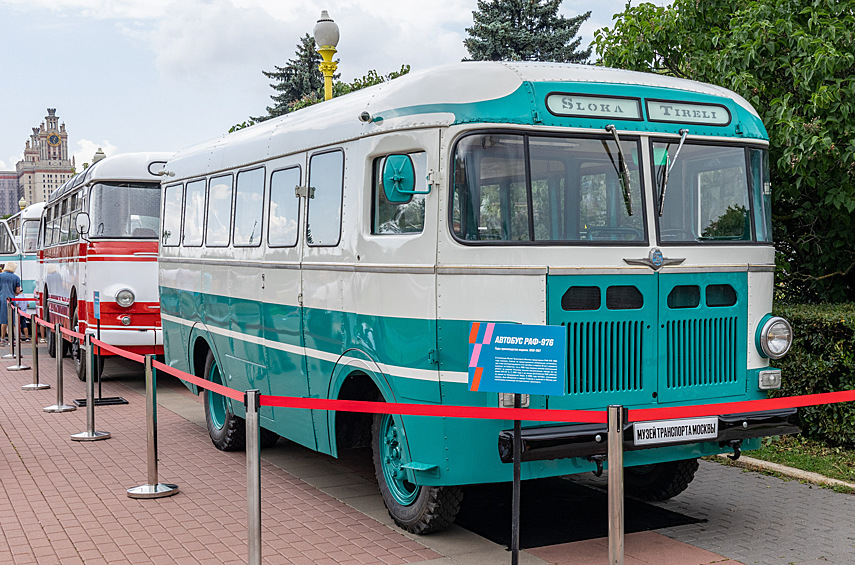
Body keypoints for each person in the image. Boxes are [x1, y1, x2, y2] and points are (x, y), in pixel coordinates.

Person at [0, 261, 23, 344]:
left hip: (1, 299)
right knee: (12, 320)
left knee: (3, 320)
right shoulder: (16, 278)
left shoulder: (0, 276)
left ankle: (2, 338)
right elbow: (17, 291)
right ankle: (12, 339)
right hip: (11, 300)